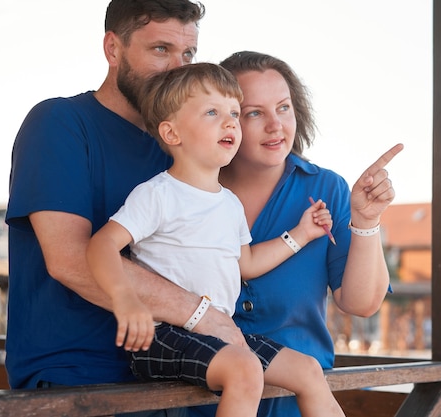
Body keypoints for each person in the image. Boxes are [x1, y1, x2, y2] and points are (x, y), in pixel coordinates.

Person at [4, 2, 249, 416]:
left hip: (176, 376)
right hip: (79, 379)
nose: (177, 66)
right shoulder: (60, 122)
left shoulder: (180, 147)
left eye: (187, 54)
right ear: (113, 49)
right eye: (160, 49)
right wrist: (205, 316)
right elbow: (69, 258)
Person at [86, 63, 345, 417]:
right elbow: (101, 245)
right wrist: (125, 299)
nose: (230, 123)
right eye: (212, 112)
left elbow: (247, 264)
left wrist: (301, 234)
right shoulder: (158, 194)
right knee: (244, 370)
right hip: (163, 335)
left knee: (308, 370)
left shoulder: (229, 203)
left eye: (235, 113)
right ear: (172, 132)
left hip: (220, 334)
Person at [189, 51, 405, 417]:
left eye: (284, 107)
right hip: (194, 402)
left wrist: (367, 220)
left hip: (296, 406)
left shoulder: (327, 188)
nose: (276, 125)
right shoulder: (185, 190)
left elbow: (362, 303)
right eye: (254, 113)